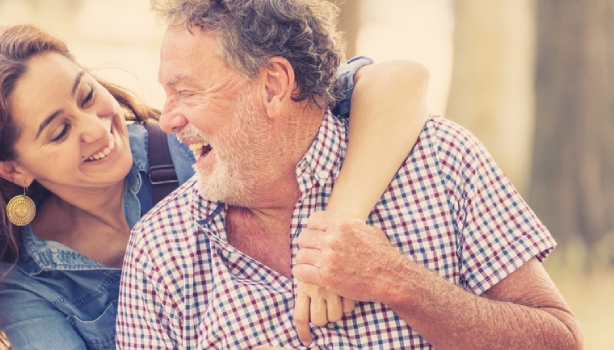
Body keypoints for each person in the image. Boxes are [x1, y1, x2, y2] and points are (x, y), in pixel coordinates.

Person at [0, 24, 429, 349]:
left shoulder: (193, 144)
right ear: (12, 169)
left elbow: (398, 80)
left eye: (86, 95)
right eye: (59, 130)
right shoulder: (24, 283)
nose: (95, 128)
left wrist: (335, 230)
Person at [116, 0, 584, 349]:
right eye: (167, 93)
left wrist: (397, 281)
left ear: (274, 86)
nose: (170, 118)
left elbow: (560, 341)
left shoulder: (440, 160)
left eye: (187, 92)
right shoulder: (161, 248)